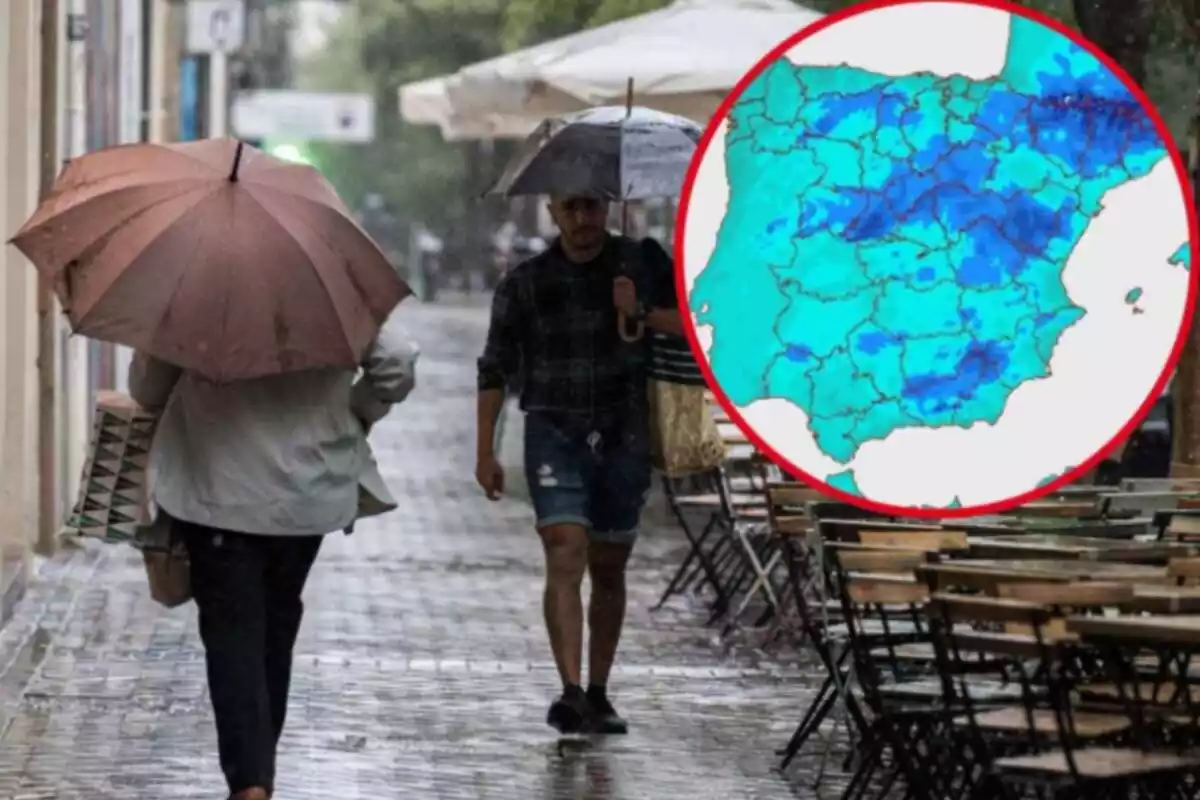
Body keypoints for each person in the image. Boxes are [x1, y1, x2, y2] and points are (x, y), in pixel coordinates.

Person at [130, 314, 419, 800]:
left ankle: (251, 782)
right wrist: (353, 410)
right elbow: (397, 364)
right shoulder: (328, 288)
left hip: (218, 490)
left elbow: (147, 387)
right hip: (306, 495)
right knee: (274, 627)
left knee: (234, 636)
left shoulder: (199, 291)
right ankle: (259, 772)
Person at [475, 194, 683, 734]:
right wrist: (485, 451)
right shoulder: (526, 282)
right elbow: (494, 367)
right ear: (552, 210)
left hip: (624, 433)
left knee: (609, 564)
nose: (582, 219)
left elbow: (698, 326)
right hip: (553, 431)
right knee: (564, 549)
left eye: (591, 207)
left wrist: (640, 311)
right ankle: (570, 693)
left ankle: (599, 690)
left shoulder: (643, 262)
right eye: (570, 209)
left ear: (608, 207)